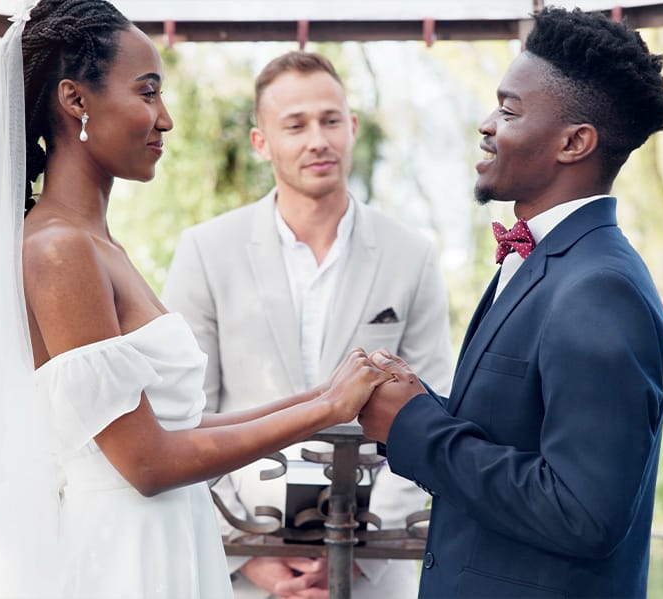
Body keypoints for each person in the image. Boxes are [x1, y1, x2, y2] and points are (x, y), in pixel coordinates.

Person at [0, 2, 391, 597]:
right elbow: (147, 463)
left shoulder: (101, 246)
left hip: (168, 535)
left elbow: (181, 426)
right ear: (76, 101)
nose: (167, 119)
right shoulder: (58, 251)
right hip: (123, 556)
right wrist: (324, 413)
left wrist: (326, 392)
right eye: (148, 92)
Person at [358, 7, 663, 598]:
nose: (486, 124)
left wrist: (415, 427)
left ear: (575, 142)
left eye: (508, 110)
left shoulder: (599, 290)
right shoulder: (543, 261)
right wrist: (419, 400)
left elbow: (582, 512)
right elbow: (517, 435)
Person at [162, 51, 454, 598]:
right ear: (261, 143)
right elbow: (183, 417)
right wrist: (252, 554)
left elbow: (432, 411)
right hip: (241, 566)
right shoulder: (205, 251)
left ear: (353, 127)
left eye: (330, 120)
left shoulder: (410, 255)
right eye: (294, 125)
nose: (316, 139)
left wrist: (355, 553)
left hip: (376, 566)